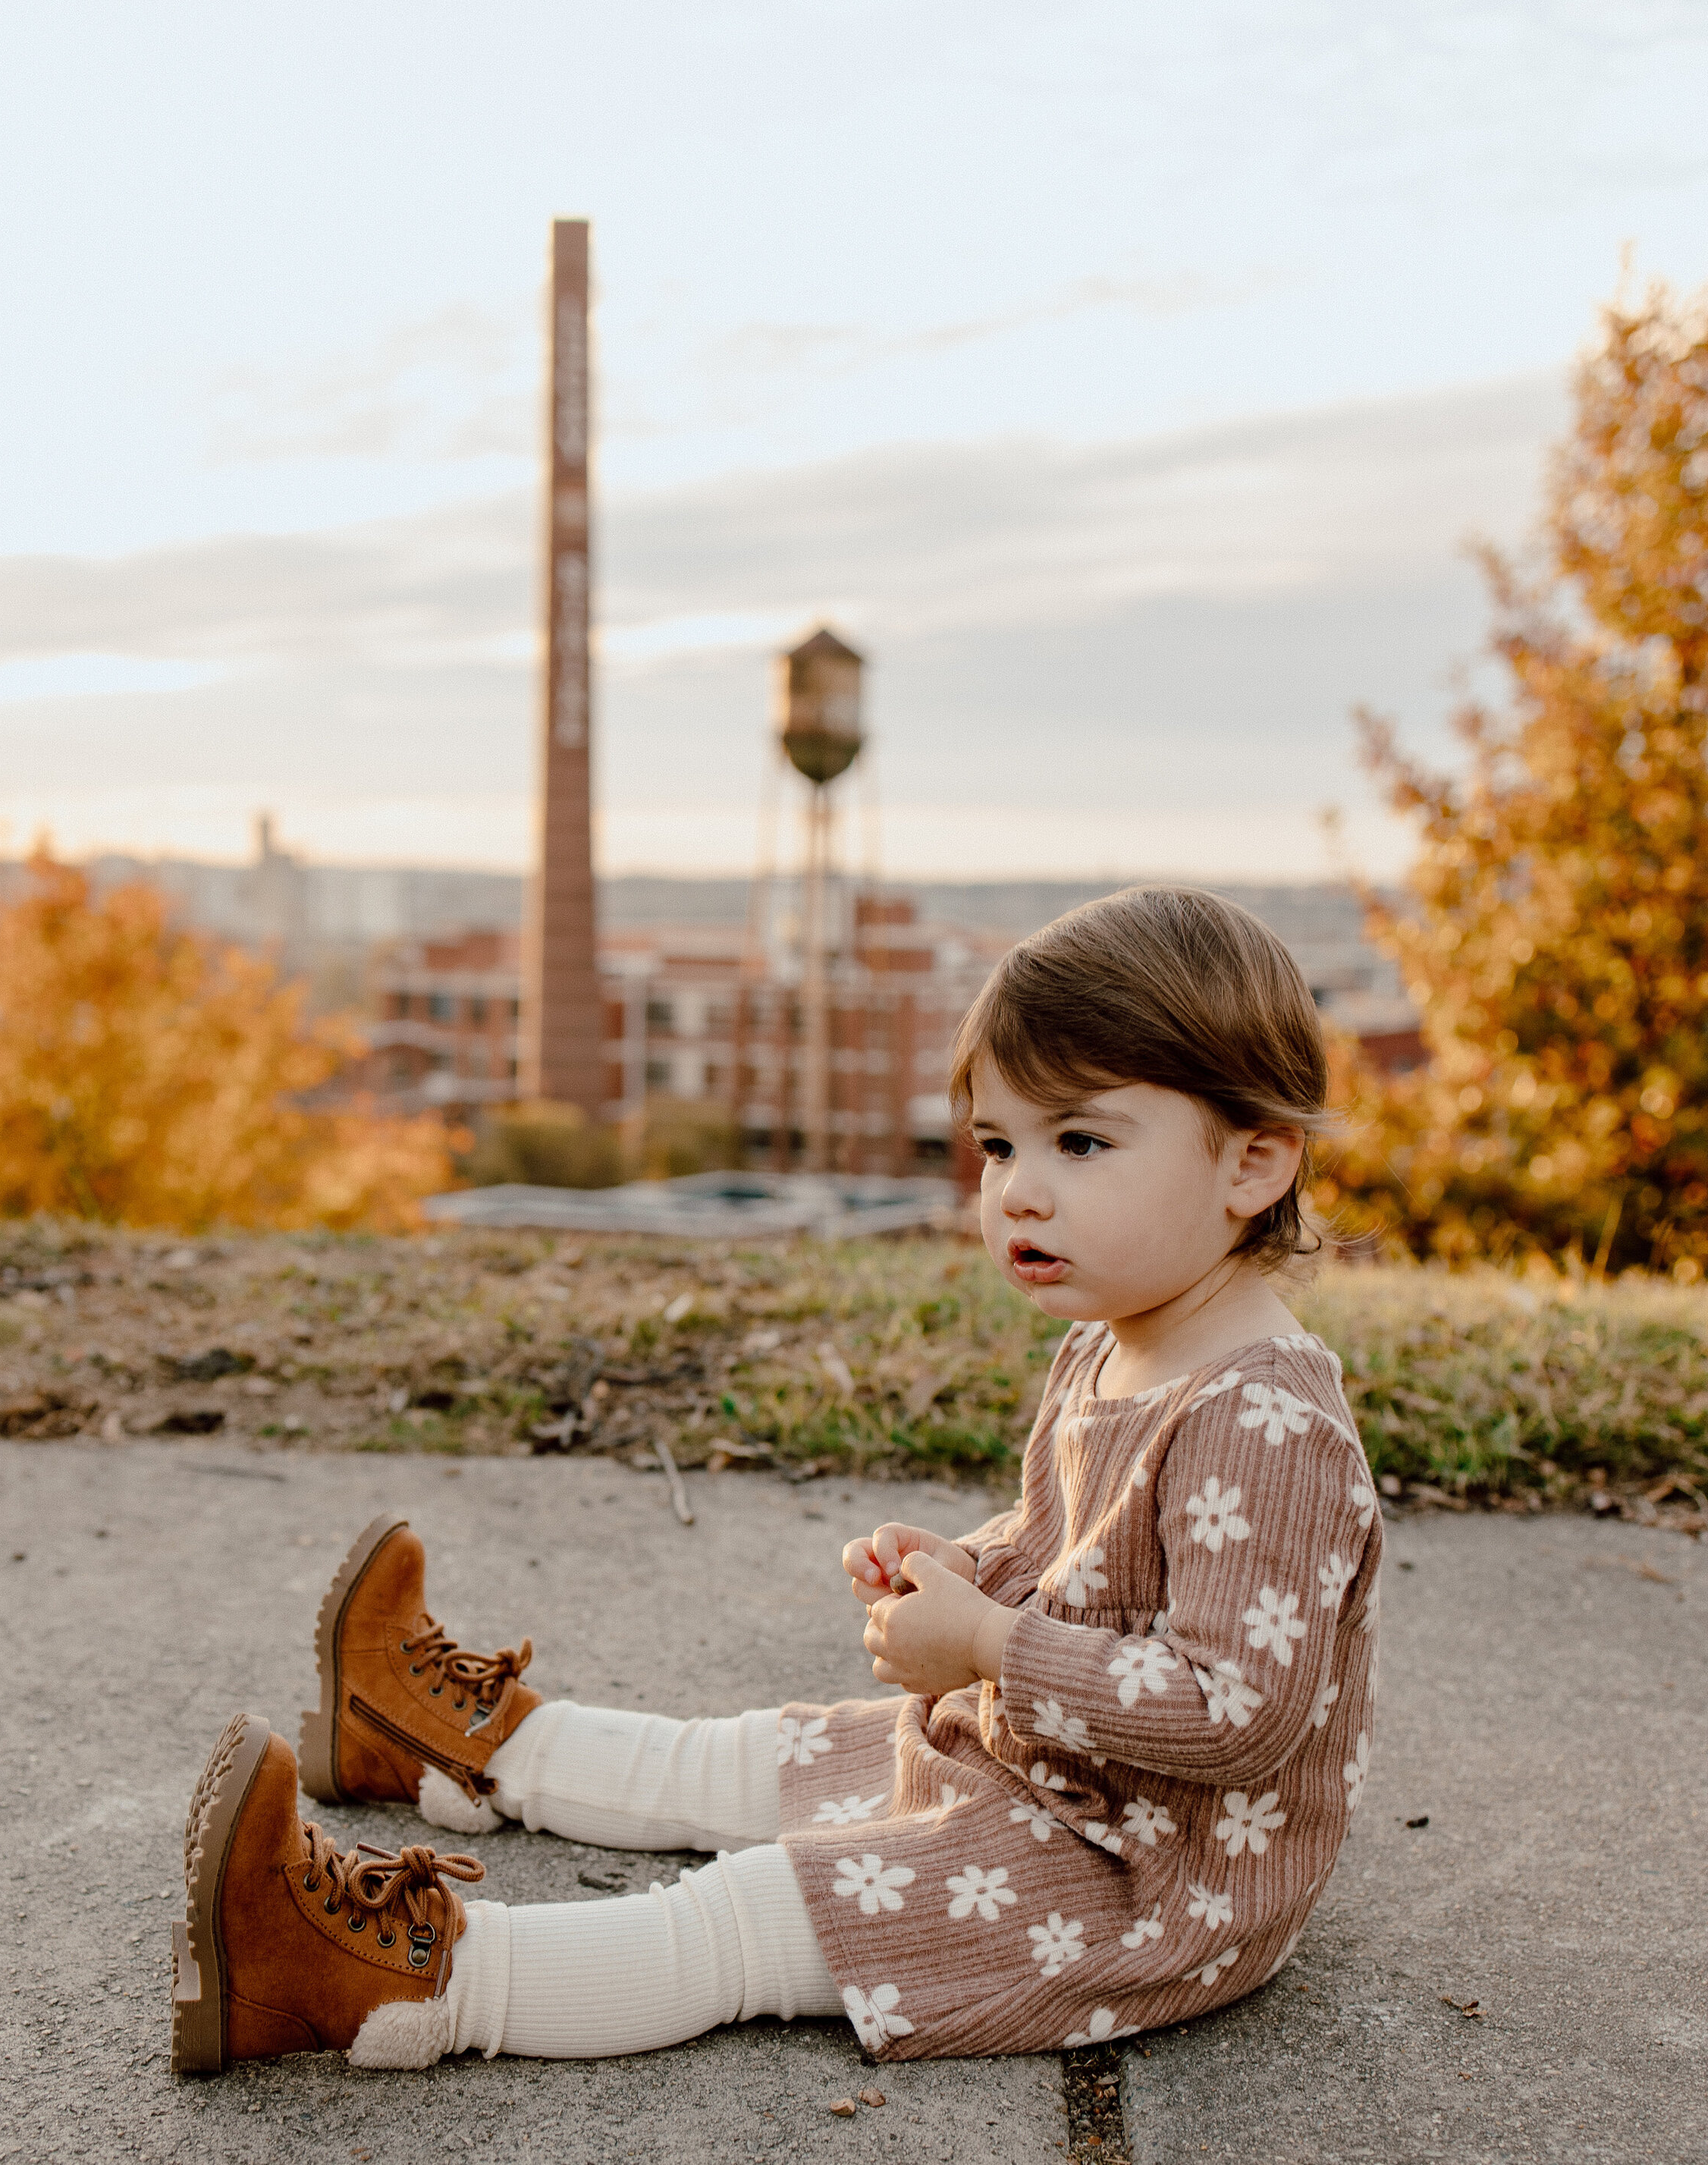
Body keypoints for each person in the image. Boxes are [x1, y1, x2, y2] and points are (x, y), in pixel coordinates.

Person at [169, 885, 1380, 2081]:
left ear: (1254, 1164)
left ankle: (382, 1983)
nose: (1018, 1188)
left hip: (1142, 1881)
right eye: (999, 1145)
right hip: (1055, 1771)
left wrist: (993, 1644)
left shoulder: (1265, 1421)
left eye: (1081, 1142)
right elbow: (1083, 1554)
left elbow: (1239, 1710)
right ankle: (462, 1746)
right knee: (769, 1757)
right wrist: (972, 1568)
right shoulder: (1113, 1340)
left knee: (759, 1908)